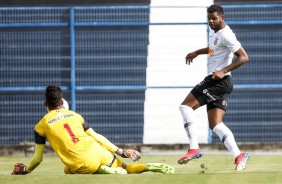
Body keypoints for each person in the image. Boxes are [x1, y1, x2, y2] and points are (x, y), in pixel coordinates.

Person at [12, 85, 174, 175]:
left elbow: (38, 159)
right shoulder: (75, 115)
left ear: (45, 103)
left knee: (71, 169)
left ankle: (103, 171)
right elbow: (97, 136)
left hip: (83, 163)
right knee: (126, 168)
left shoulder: (41, 126)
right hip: (98, 150)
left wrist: (26, 170)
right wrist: (121, 151)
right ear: (62, 102)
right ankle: (148, 166)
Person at [177, 4, 249, 170]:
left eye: (214, 18)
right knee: (216, 124)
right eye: (209, 18)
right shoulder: (215, 31)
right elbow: (213, 50)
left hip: (219, 81)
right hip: (221, 82)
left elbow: (244, 57)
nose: (211, 21)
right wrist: (196, 52)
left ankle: (194, 148)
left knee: (185, 107)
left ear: (222, 18)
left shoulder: (227, 35)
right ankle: (239, 155)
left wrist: (223, 70)